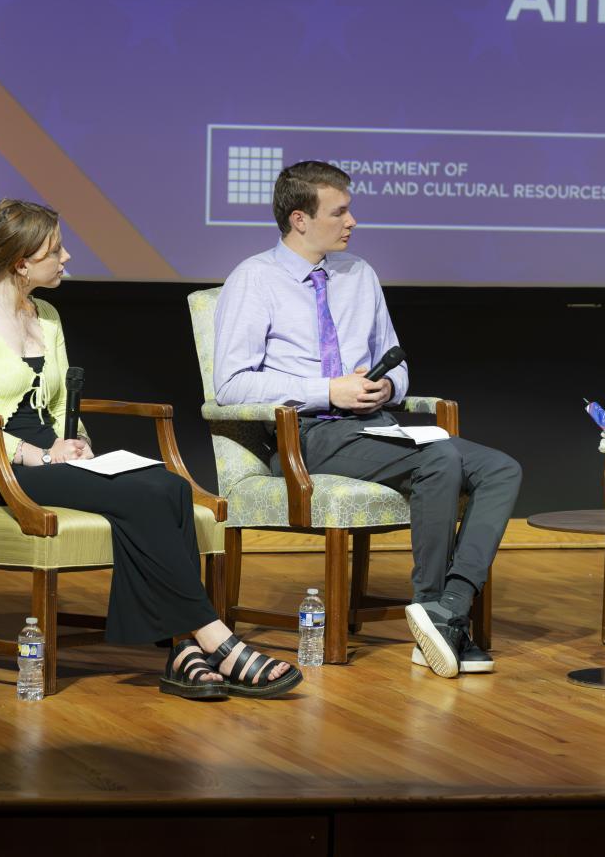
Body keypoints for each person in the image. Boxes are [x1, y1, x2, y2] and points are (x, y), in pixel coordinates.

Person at [0, 199, 300, 700]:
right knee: (142, 496)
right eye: (55, 250)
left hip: (55, 456)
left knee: (169, 486)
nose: (66, 258)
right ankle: (214, 638)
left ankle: (182, 651)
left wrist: (81, 442)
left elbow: (66, 402)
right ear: (21, 261)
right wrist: (35, 455)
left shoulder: (46, 315)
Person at [212, 161, 521, 679]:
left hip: (375, 424)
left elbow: (395, 359)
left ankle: (446, 611)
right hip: (309, 434)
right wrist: (326, 390)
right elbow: (231, 384)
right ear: (299, 219)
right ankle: (433, 614)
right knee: (439, 458)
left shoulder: (359, 274)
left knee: (501, 468)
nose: (352, 220)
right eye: (340, 211)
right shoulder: (254, 279)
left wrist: (388, 386)